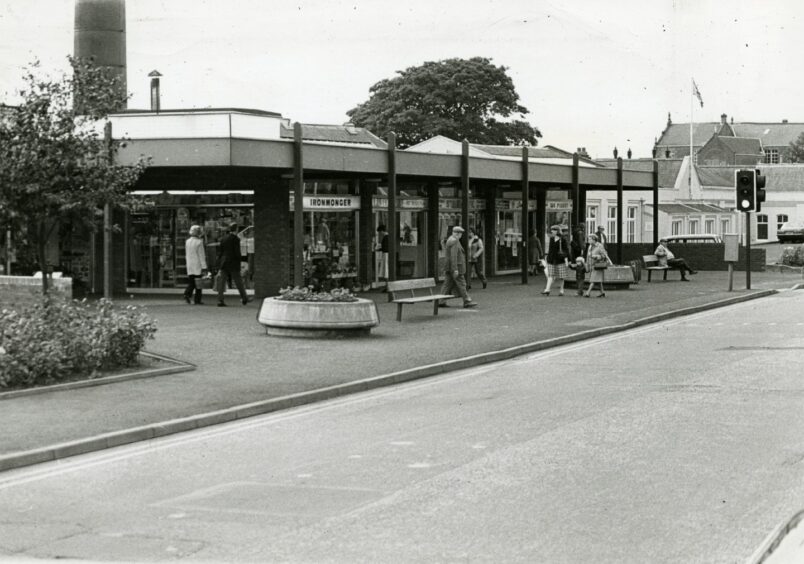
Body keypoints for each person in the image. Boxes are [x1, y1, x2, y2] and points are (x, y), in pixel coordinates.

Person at [438, 226, 477, 308]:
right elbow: (454, 256)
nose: (461, 235)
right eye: (461, 234)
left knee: (447, 284)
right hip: (456, 267)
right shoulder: (454, 241)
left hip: (449, 267)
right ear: (458, 234)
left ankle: (441, 301)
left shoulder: (451, 240)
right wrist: (455, 269)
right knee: (462, 283)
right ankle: (467, 301)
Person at [216, 222, 250, 306]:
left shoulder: (223, 238)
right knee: (238, 281)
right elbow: (237, 252)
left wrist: (219, 262)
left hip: (224, 262)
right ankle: (244, 298)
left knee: (222, 282)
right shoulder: (236, 239)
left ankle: (220, 300)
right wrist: (241, 260)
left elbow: (220, 252)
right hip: (233, 262)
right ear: (236, 230)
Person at [541, 225, 570, 296]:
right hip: (551, 259)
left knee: (561, 276)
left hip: (560, 260)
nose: (551, 231)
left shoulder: (563, 239)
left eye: (553, 230)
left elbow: (566, 250)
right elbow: (550, 250)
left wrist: (567, 258)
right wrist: (547, 258)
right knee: (550, 275)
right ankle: (547, 289)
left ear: (557, 231)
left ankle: (561, 290)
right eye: (551, 230)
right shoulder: (551, 238)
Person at [183, 225, 208, 305]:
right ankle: (197, 299)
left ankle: (187, 293)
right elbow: (201, 255)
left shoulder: (187, 241)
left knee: (191, 282)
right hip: (197, 265)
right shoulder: (199, 242)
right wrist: (204, 267)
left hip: (190, 264)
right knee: (198, 284)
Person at [584, 233, 613, 297]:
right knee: (598, 280)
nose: (588, 240)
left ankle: (588, 292)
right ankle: (602, 292)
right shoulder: (590, 246)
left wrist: (597, 256)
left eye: (590, 239)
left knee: (593, 279)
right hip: (592, 265)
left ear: (594, 240)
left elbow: (604, 255)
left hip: (598, 265)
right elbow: (587, 256)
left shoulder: (599, 246)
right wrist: (587, 264)